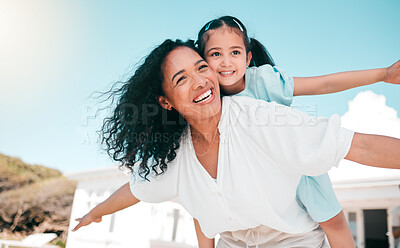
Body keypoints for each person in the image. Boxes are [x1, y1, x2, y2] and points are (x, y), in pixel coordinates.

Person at [73, 39, 400, 248]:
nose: (200, 80)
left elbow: (357, 146)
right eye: (181, 78)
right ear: (165, 101)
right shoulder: (174, 154)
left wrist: (383, 73)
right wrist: (94, 214)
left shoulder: (259, 119)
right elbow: (135, 189)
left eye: (202, 67)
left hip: (294, 242)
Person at [193, 15, 400, 248]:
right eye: (215, 54)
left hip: (292, 161)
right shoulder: (202, 97)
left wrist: (383, 74)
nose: (226, 62)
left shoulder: (263, 82)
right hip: (254, 176)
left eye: (235, 52)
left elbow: (323, 84)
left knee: (333, 221)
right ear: (201, 60)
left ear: (248, 57)